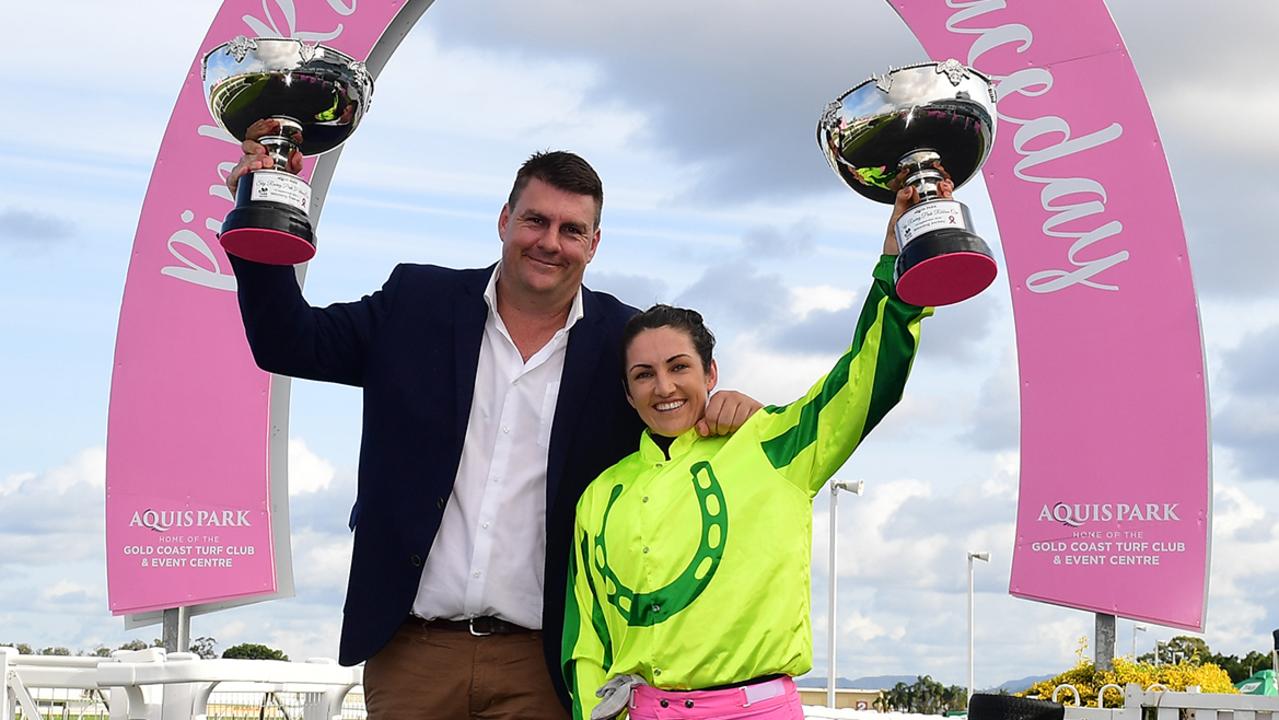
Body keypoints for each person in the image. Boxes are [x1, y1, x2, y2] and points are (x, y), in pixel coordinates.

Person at [224, 125, 762, 720]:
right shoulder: (415, 303)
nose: (550, 242)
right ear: (505, 219)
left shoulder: (623, 342)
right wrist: (264, 212)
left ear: (595, 242)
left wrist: (721, 405)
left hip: (547, 663)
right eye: (536, 221)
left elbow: (675, 410)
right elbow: (287, 343)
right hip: (412, 654)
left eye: (571, 230)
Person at [562, 183, 939, 720]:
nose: (663, 387)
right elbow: (586, 641)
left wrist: (896, 268)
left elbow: (864, 381)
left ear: (710, 373)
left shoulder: (771, 443)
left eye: (678, 367)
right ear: (628, 393)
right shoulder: (599, 497)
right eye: (643, 375)